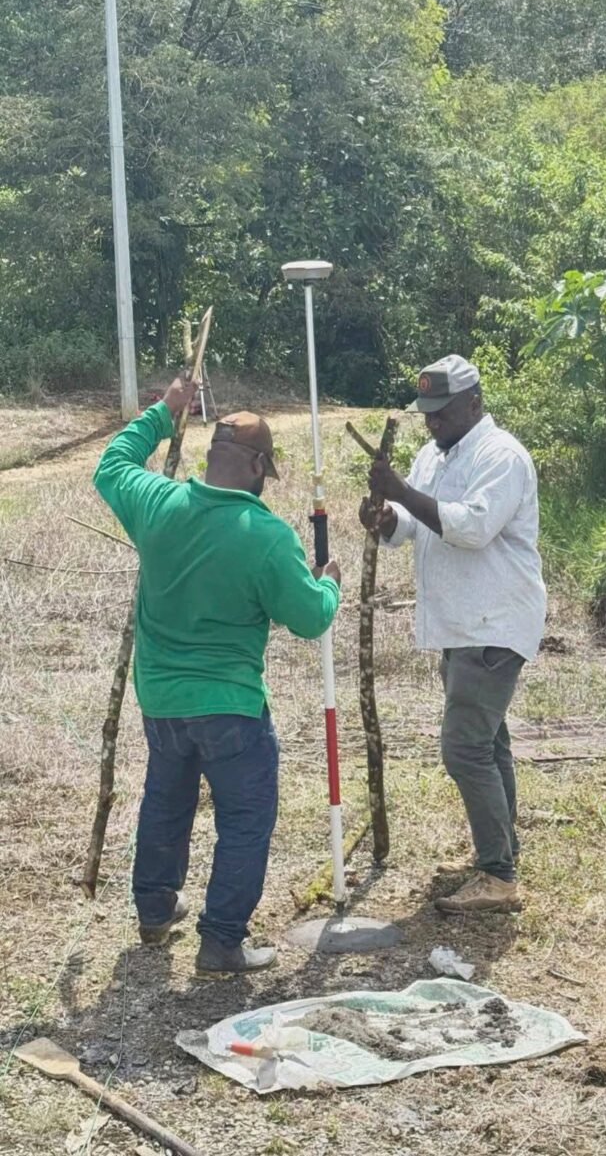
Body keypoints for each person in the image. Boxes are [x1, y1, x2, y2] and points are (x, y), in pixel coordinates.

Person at [94, 375, 341, 975]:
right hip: (230, 705)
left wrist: (163, 410)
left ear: (209, 459)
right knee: (246, 818)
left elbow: (110, 465)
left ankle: (154, 911)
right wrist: (330, 580)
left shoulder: (157, 503)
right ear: (259, 467)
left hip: (161, 699)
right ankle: (221, 941)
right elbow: (310, 618)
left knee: (166, 800)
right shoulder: (267, 537)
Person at [361, 354, 545, 914]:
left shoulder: (502, 456)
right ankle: (501, 850)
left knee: (463, 748)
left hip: (492, 621)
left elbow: (470, 527)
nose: (431, 422)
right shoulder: (432, 455)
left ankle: (498, 875)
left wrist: (401, 492)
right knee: (487, 742)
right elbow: (416, 521)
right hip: (461, 624)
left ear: (474, 403)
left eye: (442, 413)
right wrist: (388, 518)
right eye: (426, 414)